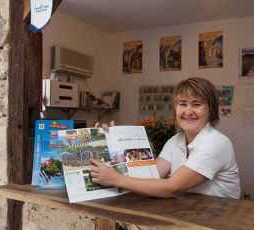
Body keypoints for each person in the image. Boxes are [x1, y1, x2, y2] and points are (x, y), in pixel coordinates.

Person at [90, 77, 241, 199]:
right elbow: (149, 175)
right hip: (190, 215)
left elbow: (171, 188)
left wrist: (116, 179)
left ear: (211, 111)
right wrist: (107, 143)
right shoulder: (176, 140)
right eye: (182, 104)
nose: (188, 111)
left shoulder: (217, 142)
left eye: (197, 104)